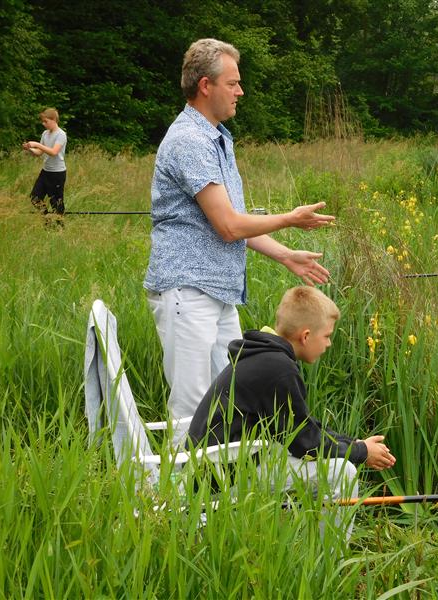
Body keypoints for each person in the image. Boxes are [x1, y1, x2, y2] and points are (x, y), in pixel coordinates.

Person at [144, 38, 335, 446]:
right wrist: (291, 219)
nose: (240, 91)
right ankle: (179, 485)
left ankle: (221, 483)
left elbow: (234, 224)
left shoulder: (218, 138)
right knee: (192, 409)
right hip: (188, 290)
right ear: (205, 86)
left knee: (228, 401)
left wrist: (286, 255)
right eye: (232, 83)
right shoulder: (189, 140)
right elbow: (229, 226)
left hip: (218, 292)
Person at [187, 286, 396, 539]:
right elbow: (305, 444)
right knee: (343, 473)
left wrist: (355, 444)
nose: (329, 343)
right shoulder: (279, 368)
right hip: (222, 479)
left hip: (220, 466)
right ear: (306, 336)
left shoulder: (264, 356)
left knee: (331, 462)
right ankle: (330, 557)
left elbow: (303, 427)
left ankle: (311, 545)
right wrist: (361, 453)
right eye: (327, 336)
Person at [23, 108, 67, 216]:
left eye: (46, 121)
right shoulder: (45, 134)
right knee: (35, 198)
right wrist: (29, 148)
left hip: (57, 174)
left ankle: (59, 224)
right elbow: (39, 152)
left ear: (54, 119)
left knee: (56, 203)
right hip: (45, 172)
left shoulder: (61, 134)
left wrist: (37, 144)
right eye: (42, 121)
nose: (43, 124)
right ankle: (47, 220)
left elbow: (53, 152)